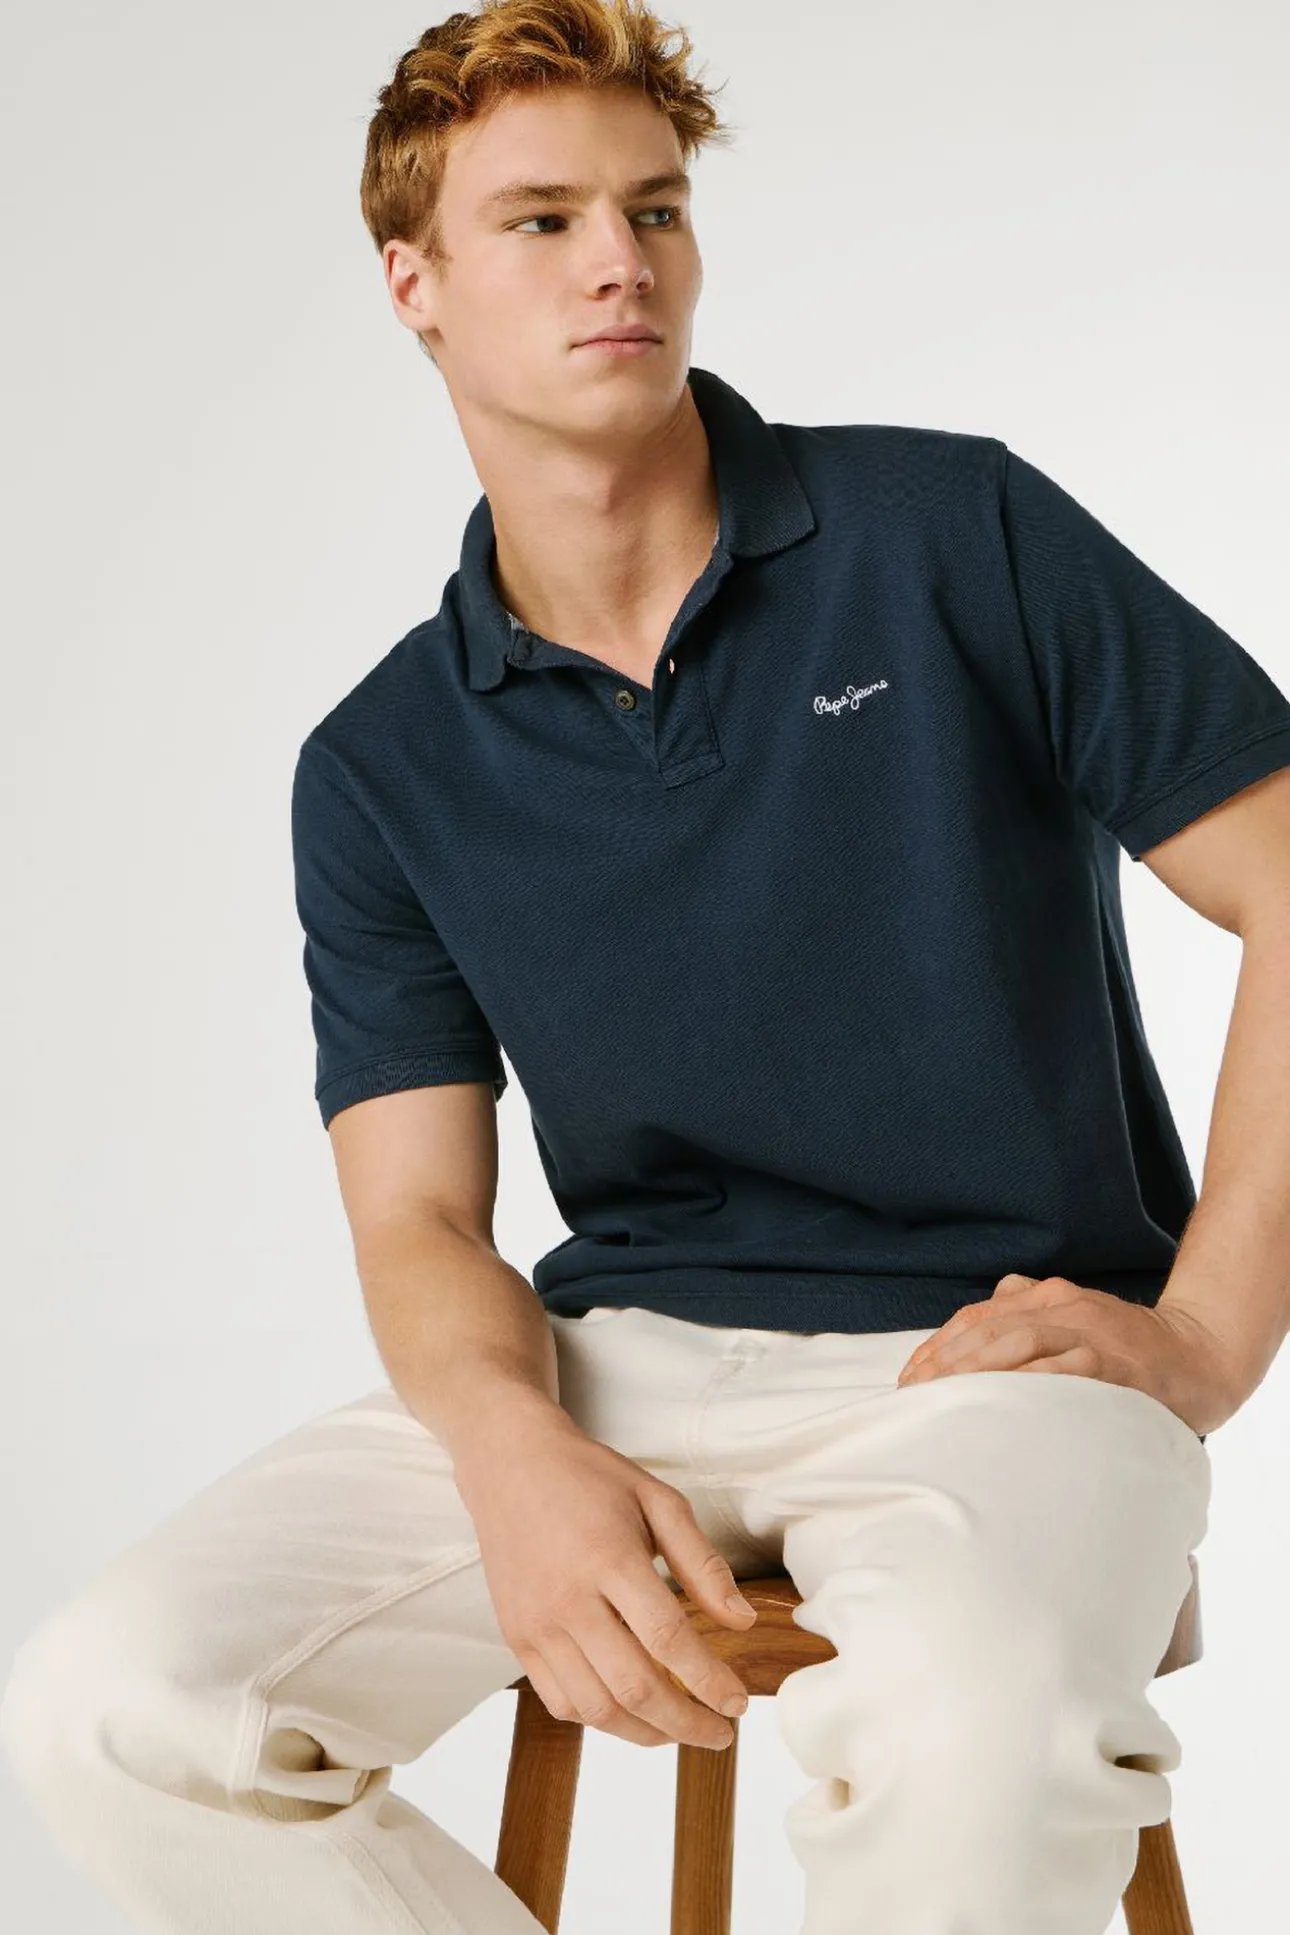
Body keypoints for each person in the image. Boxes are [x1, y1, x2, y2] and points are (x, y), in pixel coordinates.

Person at [4, 4, 1289, 1932]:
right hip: (618, 1366)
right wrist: (510, 1445)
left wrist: (1200, 1341)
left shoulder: (949, 532)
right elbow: (418, 1217)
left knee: (972, 1747)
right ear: (413, 284)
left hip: (992, 1363)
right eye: (540, 220)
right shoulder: (382, 763)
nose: (619, 261)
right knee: (122, 1711)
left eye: (655, 208)